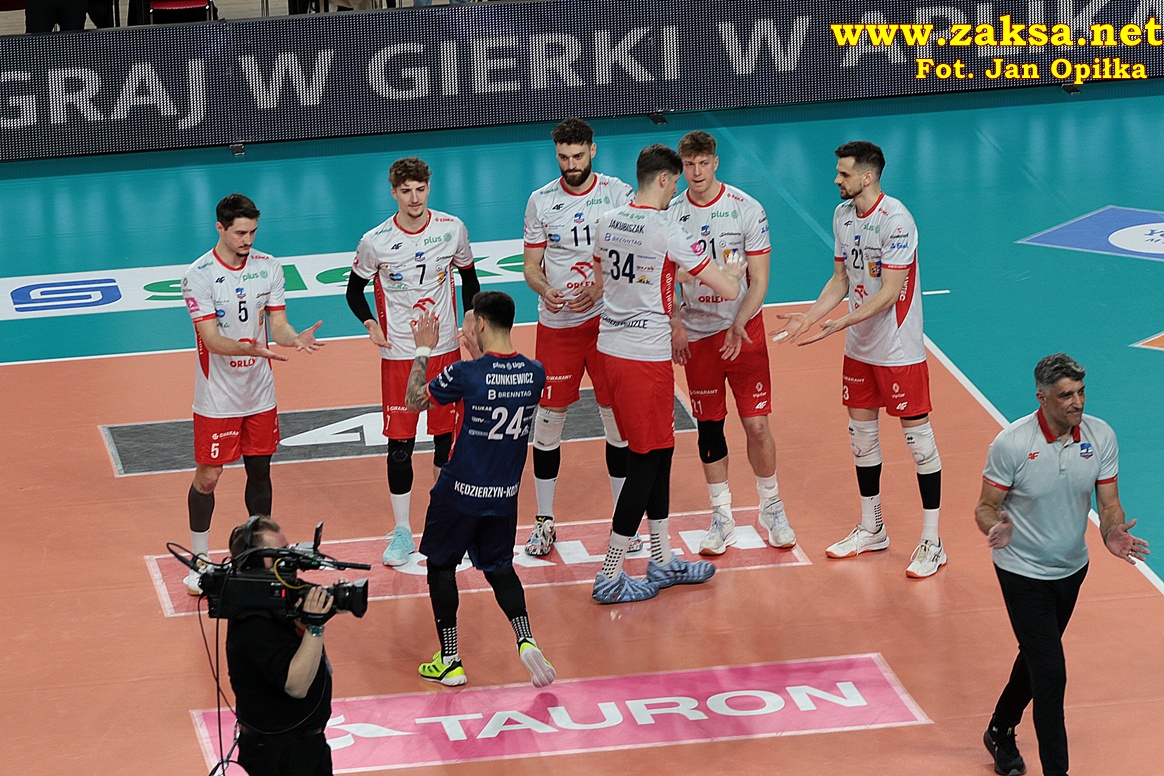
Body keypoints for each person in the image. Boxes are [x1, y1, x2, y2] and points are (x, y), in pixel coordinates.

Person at [775, 140, 946, 578]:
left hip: (898, 348)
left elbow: (890, 292)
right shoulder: (842, 215)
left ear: (867, 177)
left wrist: (842, 322)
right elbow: (841, 279)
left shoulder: (897, 221)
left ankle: (932, 541)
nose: (836, 179)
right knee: (861, 439)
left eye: (844, 173)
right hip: (860, 348)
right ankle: (873, 528)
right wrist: (811, 317)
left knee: (919, 443)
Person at [975, 354, 1147, 776]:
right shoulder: (1012, 444)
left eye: (1081, 392)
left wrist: (1112, 531)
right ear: (1042, 397)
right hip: (1021, 571)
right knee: (1051, 674)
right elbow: (985, 506)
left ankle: (1000, 727)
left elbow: (1109, 502)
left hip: (1072, 569)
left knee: (1037, 656)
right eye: (1066, 394)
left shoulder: (1101, 435)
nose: (1078, 402)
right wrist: (995, 527)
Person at [590, 144, 747, 604]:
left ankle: (661, 559)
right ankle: (609, 574)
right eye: (676, 180)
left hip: (612, 350)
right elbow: (727, 288)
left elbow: (607, 278)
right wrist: (733, 271)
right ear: (663, 179)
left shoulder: (607, 220)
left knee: (659, 451)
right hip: (644, 357)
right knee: (644, 461)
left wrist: (668, 275)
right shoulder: (666, 228)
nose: (677, 187)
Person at [404, 292, 556, 688]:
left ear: (482, 325)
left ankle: (450, 660)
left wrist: (423, 348)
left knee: (441, 566)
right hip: (503, 497)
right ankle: (526, 638)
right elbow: (497, 382)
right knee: (499, 567)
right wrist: (478, 354)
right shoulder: (535, 372)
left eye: (470, 322)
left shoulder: (466, 374)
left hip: (458, 493)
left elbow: (414, 400)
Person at [181, 194, 324, 595]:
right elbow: (211, 339)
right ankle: (199, 560)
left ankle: (260, 556)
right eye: (240, 233)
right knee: (208, 477)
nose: (247, 240)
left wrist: (294, 338)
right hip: (217, 396)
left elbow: (277, 325)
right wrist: (248, 348)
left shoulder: (269, 267)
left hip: (259, 393)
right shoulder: (198, 275)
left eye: (253, 232)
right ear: (220, 228)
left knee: (260, 471)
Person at [346, 157, 480, 568]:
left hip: (445, 349)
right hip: (399, 353)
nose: (414, 198)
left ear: (428, 187)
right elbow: (353, 291)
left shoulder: (452, 229)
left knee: (445, 442)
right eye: (406, 191)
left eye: (420, 189)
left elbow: (470, 278)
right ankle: (403, 530)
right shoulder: (375, 241)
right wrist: (370, 323)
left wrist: (471, 316)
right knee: (400, 445)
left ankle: (443, 523)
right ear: (394, 193)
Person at [668, 130, 796, 556]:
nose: (696, 172)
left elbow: (759, 280)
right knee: (709, 427)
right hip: (697, 334)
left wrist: (739, 322)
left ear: (716, 162)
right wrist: (676, 325)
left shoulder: (746, 209)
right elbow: (665, 278)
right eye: (689, 165)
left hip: (743, 330)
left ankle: (772, 507)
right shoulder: (671, 213)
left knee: (756, 425)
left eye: (703, 163)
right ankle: (721, 517)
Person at [522, 117, 641, 557]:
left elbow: (634, 255)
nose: (571, 165)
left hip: (608, 323)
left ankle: (623, 526)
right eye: (563, 158)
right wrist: (544, 289)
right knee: (548, 422)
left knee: (616, 422)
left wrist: (600, 287)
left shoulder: (617, 194)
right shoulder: (540, 201)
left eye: (577, 155)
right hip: (558, 328)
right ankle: (544, 521)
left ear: (593, 150)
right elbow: (531, 266)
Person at [226, 516, 335, 776]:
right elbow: (296, 685)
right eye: (278, 556)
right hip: (278, 755)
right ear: (253, 565)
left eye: (288, 551)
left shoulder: (279, 601)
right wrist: (315, 627)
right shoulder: (252, 622)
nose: (289, 562)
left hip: (307, 746)